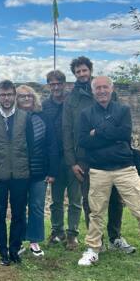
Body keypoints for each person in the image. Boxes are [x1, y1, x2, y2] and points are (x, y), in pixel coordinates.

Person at [77, 76, 140, 271]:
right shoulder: (86, 114)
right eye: (98, 88)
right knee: (95, 213)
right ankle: (93, 249)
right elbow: (83, 141)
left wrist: (97, 132)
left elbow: (124, 134)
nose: (101, 91)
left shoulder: (123, 110)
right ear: (93, 91)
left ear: (111, 89)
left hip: (124, 168)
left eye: (105, 87)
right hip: (99, 169)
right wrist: (109, 133)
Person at [62, 56, 134, 253]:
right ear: (74, 74)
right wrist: (72, 162)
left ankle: (115, 237)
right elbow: (67, 131)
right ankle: (97, 241)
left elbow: (121, 126)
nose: (82, 74)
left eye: (84, 70)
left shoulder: (107, 92)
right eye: (78, 72)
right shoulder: (72, 100)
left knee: (115, 199)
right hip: (85, 158)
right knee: (90, 201)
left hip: (112, 156)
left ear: (90, 70)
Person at [0, 80, 30, 266]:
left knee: (19, 214)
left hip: (20, 174)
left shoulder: (25, 117)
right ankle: (2, 251)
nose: (6, 98)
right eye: (3, 95)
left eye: (10, 94)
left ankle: (14, 249)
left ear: (14, 96)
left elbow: (31, 143)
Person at [16, 85, 58, 257]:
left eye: (29, 96)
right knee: (19, 207)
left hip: (39, 171)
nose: (26, 99)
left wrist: (53, 170)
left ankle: (34, 241)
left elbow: (52, 145)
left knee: (37, 207)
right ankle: (17, 240)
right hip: (18, 171)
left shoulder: (43, 118)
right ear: (16, 99)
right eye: (22, 96)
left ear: (34, 98)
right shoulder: (13, 118)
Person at [42, 70, 83, 246]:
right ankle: (57, 232)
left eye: (59, 83)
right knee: (56, 201)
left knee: (75, 199)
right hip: (56, 159)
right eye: (52, 84)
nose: (56, 87)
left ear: (65, 84)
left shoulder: (73, 102)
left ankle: (73, 234)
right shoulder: (45, 105)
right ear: (48, 86)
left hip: (74, 157)